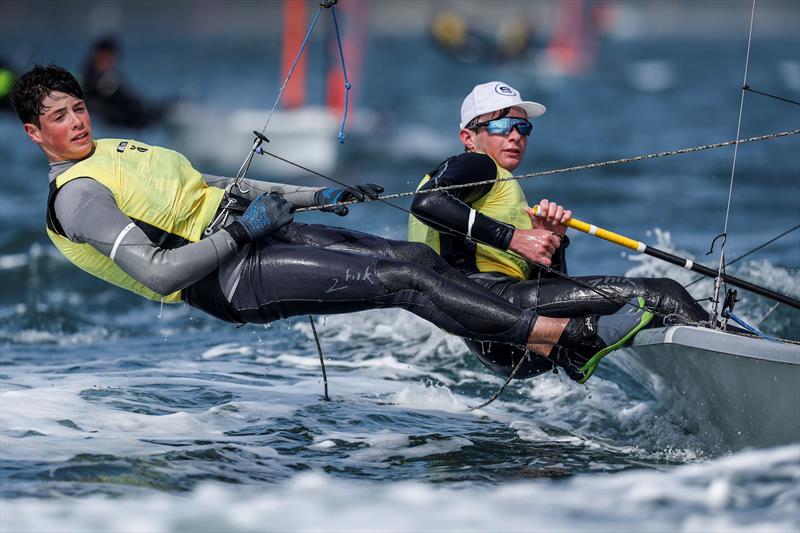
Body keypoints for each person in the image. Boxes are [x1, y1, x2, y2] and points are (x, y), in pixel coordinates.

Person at [11, 65, 651, 384]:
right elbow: (157, 274)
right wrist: (242, 231)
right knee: (399, 278)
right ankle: (569, 338)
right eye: (59, 118)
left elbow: (214, 186)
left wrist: (318, 194)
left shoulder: (122, 151)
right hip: (229, 277)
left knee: (416, 263)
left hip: (258, 232)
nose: (76, 122)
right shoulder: (78, 196)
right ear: (34, 133)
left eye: (78, 107)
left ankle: (537, 349)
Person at [409, 81, 707, 381]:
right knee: (664, 294)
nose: (515, 136)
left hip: (502, 342)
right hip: (495, 308)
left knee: (633, 313)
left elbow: (548, 290)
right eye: (502, 125)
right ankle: (737, 355)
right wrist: (513, 237)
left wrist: (552, 243)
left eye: (523, 128)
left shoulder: (491, 187)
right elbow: (427, 202)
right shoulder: (476, 164)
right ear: (468, 137)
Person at [81, 36, 167, 128]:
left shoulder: (107, 75)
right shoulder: (95, 79)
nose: (113, 60)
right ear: (101, 55)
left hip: (131, 116)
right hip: (121, 120)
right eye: (110, 56)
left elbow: (129, 97)